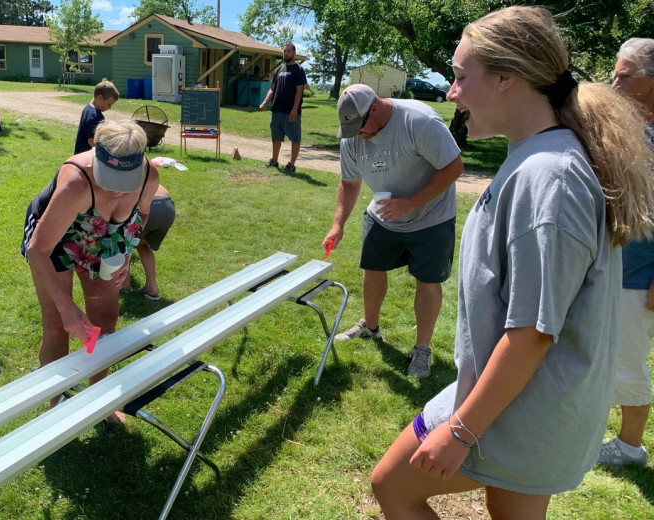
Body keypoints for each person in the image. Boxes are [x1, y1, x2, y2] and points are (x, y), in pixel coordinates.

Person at [370, 6, 654, 519]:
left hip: (523, 410)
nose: (451, 93)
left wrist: (460, 432)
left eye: (460, 76)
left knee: (394, 485)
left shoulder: (550, 176)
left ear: (506, 78)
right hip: (520, 402)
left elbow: (533, 332)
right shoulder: (540, 157)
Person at [21, 120, 159, 421]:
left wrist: (125, 252)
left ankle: (98, 402)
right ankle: (53, 404)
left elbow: (143, 214)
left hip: (103, 238)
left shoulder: (149, 176)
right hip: (54, 241)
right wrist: (68, 308)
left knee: (104, 319)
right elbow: (38, 250)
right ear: (94, 150)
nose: (117, 189)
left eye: (126, 180)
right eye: (111, 178)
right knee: (58, 322)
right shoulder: (76, 183)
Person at [325, 83, 464, 378]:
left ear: (374, 108)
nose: (358, 136)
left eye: (361, 128)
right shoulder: (353, 136)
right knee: (373, 269)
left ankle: (422, 350)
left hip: (431, 217)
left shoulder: (419, 121)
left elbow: (453, 168)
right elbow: (349, 183)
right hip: (383, 216)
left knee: (427, 281)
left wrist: (411, 204)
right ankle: (370, 326)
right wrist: (338, 224)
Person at [597, 37, 654, 467]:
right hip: (607, 262)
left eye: (624, 75)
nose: (613, 82)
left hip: (639, 272)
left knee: (627, 359)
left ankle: (630, 447)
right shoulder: (627, 125)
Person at [120, 183, 175, 301]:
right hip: (167, 207)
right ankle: (152, 287)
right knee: (143, 244)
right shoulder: (147, 172)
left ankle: (124, 286)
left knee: (125, 245)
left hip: (148, 207)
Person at [259, 43, 307, 173]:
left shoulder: (299, 70)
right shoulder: (279, 70)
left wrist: (295, 109)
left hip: (290, 111)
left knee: (295, 138)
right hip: (276, 110)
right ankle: (274, 161)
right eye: (284, 51)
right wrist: (264, 102)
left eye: (288, 51)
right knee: (276, 137)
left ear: (294, 53)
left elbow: (299, 90)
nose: (285, 53)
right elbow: (272, 89)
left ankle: (291, 164)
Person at [74, 80, 119, 154]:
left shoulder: (88, 108)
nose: (110, 108)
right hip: (87, 158)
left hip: (79, 154)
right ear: (100, 98)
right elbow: (92, 141)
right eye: (109, 104)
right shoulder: (96, 116)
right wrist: (109, 147)